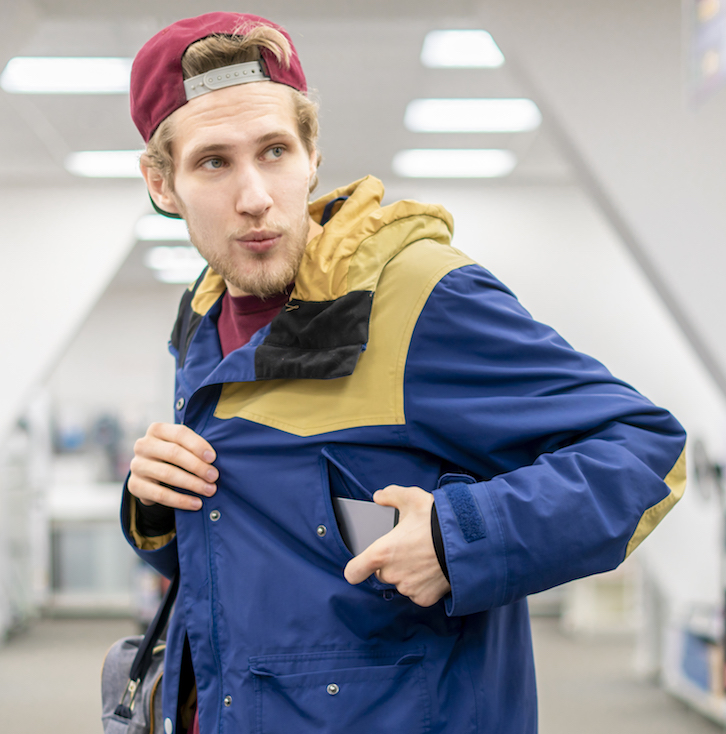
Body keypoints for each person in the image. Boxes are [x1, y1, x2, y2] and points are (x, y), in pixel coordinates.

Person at [121, 12, 686, 734]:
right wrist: (153, 501)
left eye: (274, 151)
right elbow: (273, 537)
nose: (255, 195)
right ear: (161, 183)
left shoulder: (416, 295)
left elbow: (643, 452)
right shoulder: (203, 316)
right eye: (213, 162)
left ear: (313, 153)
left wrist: (458, 540)